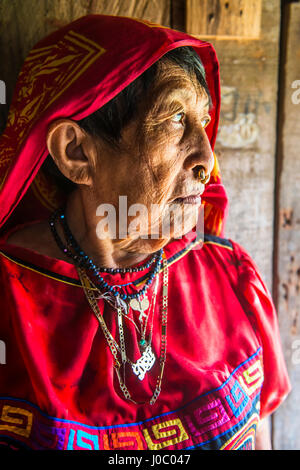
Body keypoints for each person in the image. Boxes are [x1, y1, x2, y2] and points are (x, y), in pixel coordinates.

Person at [0, 14, 290, 451]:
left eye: (203, 121)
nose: (207, 159)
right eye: (174, 119)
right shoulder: (10, 295)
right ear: (77, 152)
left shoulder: (230, 279)